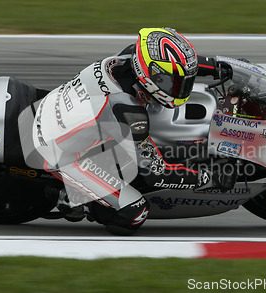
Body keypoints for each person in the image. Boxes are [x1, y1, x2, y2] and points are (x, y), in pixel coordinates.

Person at [32, 27, 235, 235]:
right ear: (150, 75)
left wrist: (213, 67)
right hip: (59, 151)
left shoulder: (132, 56)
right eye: (172, 83)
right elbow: (154, 173)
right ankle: (73, 198)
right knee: (135, 212)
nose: (180, 88)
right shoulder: (128, 110)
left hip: (61, 112)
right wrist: (207, 178)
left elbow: (178, 66)